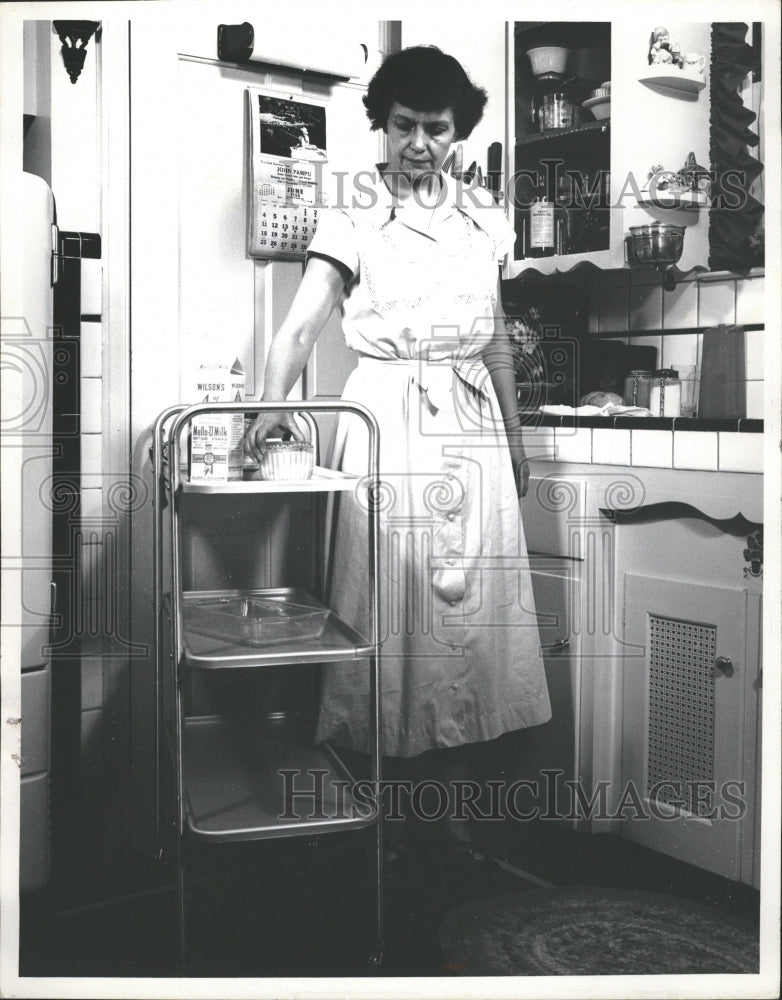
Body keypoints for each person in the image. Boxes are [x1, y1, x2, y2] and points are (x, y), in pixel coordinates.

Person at [244, 45, 551, 855]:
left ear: (460, 131)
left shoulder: (485, 216)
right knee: (390, 608)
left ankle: (450, 817)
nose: (419, 144)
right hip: (389, 424)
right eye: (405, 125)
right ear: (382, 123)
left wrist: (516, 440)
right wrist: (271, 409)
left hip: (475, 429)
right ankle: (369, 818)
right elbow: (303, 324)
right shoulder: (351, 216)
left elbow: (493, 345)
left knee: (472, 625)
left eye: (437, 129)